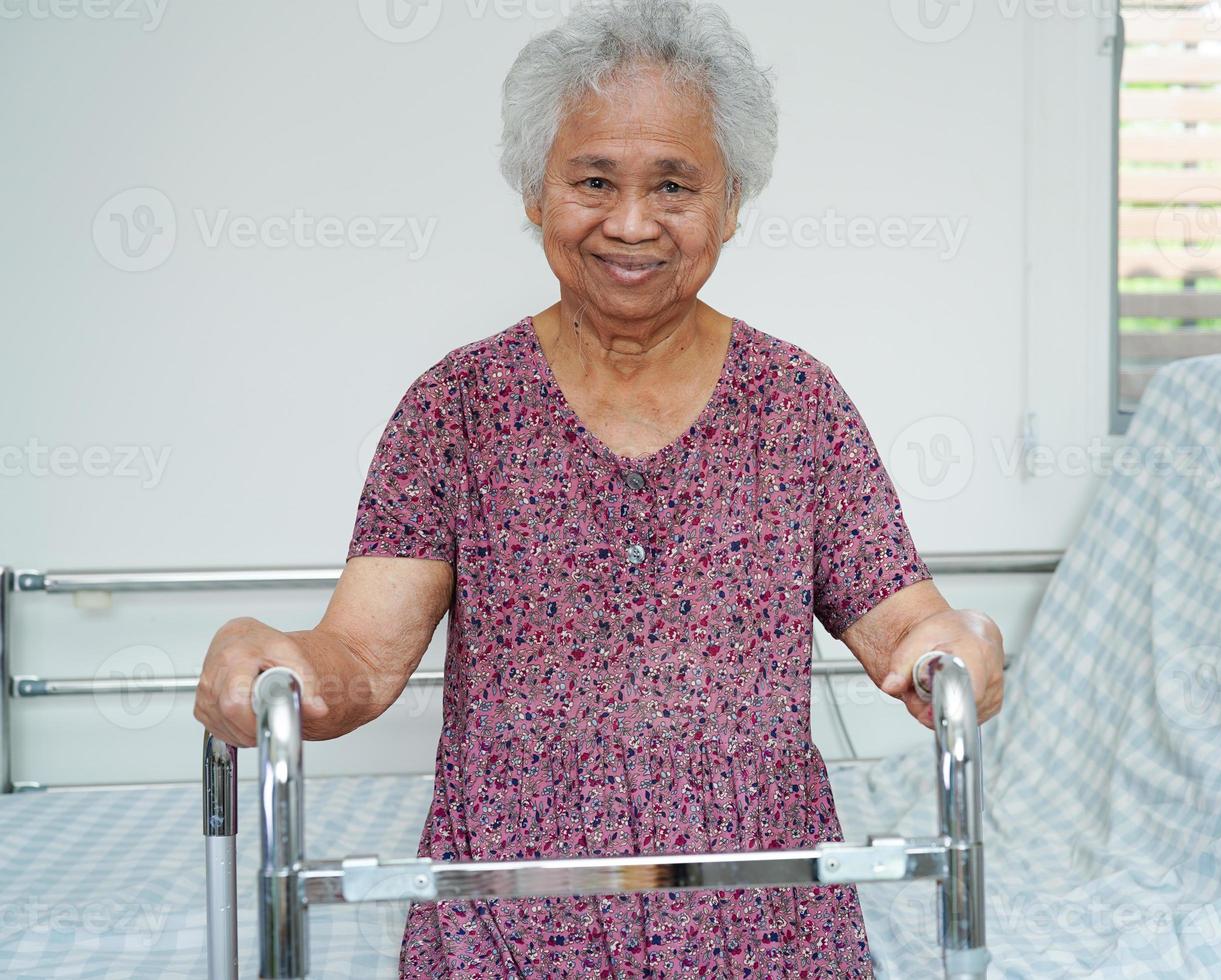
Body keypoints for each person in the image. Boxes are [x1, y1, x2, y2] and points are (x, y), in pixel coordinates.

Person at [193, 1, 1004, 975]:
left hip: (759, 927)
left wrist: (954, 642)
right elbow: (359, 656)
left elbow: (903, 626)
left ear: (732, 202)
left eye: (674, 183)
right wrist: (272, 658)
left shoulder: (797, 403)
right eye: (592, 179)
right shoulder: (457, 406)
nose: (630, 221)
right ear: (535, 192)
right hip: (506, 922)